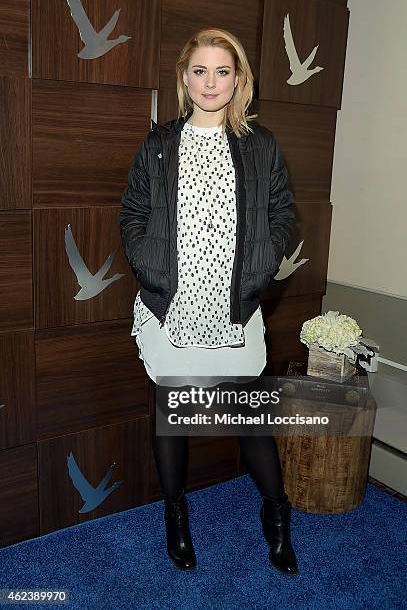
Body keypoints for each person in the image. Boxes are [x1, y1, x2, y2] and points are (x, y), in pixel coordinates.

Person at [118, 28, 298, 575]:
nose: (211, 82)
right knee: (171, 415)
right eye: (200, 70)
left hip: (234, 311)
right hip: (170, 308)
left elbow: (283, 214)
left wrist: (260, 267)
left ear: (238, 79)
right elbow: (133, 214)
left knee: (250, 420)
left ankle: (277, 515)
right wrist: (151, 266)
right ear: (184, 78)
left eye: (223, 71)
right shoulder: (158, 145)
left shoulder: (261, 145)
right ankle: (176, 515)